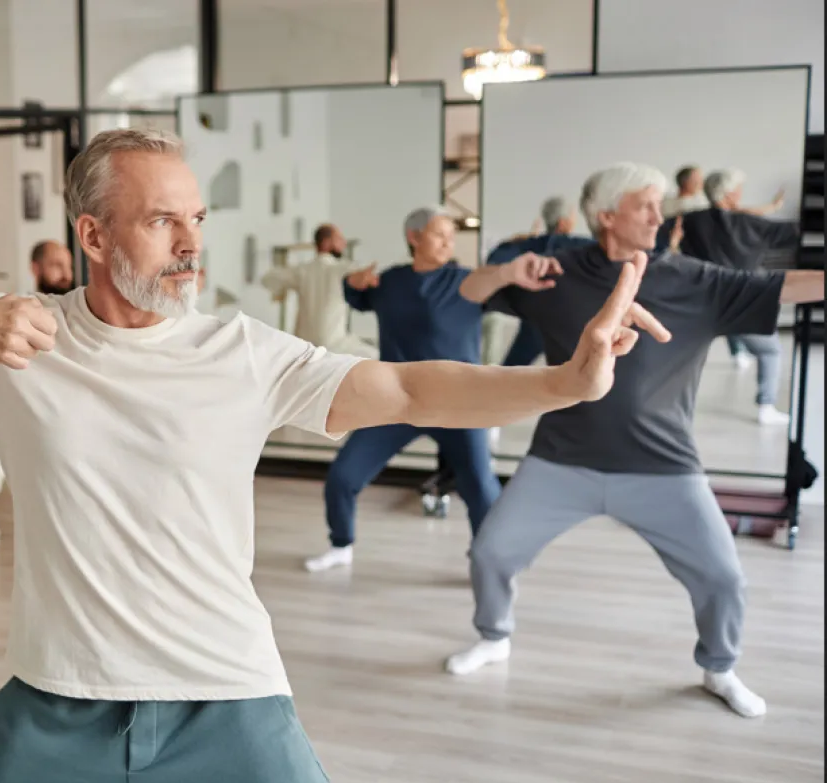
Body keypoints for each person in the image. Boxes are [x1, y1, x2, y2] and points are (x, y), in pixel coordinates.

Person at [0, 130, 670, 783]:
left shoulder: (240, 353)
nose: (192, 245)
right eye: (162, 222)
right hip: (54, 696)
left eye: (198, 218)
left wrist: (564, 382)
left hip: (223, 689)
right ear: (92, 234)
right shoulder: (14, 336)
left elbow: (407, 387)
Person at [445, 162, 824, 720]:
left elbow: (788, 286)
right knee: (490, 552)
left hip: (663, 467)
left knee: (722, 577)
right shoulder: (556, 273)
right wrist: (505, 273)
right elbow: (468, 288)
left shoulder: (697, 280)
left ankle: (719, 667)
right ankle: (494, 634)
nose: (660, 214)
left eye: (659, 203)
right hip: (561, 460)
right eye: (645, 204)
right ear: (606, 216)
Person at [304, 207, 562, 573]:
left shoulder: (465, 281)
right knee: (343, 477)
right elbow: (355, 294)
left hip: (459, 405)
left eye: (450, 236)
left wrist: (510, 270)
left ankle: (490, 562)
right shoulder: (390, 282)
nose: (448, 242)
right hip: (396, 403)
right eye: (440, 234)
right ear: (414, 237)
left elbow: (495, 280)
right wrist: (353, 281)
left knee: (480, 488)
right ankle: (341, 545)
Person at [0, 240, 75, 559]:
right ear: (35, 269)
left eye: (68, 266)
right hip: (18, 416)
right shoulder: (7, 314)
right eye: (57, 265)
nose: (65, 274)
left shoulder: (82, 314)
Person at [680, 168, 801, 424]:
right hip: (741, 301)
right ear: (731, 193)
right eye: (738, 190)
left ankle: (737, 354)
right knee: (770, 352)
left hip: (700, 299)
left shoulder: (691, 220)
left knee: (686, 352)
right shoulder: (750, 224)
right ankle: (766, 407)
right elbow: (794, 233)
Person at [486, 197, 593, 369]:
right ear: (564, 222)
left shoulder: (526, 245)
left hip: (533, 321)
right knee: (578, 373)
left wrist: (511, 243)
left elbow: (494, 262)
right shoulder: (580, 246)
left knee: (512, 369)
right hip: (568, 324)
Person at [261, 223, 378, 358]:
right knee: (376, 356)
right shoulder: (342, 268)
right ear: (326, 242)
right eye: (339, 239)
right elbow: (357, 277)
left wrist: (279, 290)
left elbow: (268, 279)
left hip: (303, 347)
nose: (344, 243)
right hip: (334, 346)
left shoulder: (302, 270)